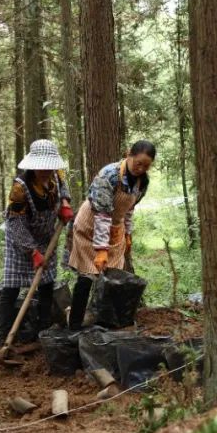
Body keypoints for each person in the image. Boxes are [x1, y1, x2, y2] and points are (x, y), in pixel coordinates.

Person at [66, 140, 156, 329]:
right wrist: (100, 249)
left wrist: (128, 234)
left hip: (116, 229)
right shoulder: (109, 175)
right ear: (129, 154)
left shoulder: (142, 182)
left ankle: (105, 321)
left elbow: (129, 209)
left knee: (112, 279)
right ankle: (74, 325)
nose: (141, 169)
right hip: (91, 226)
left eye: (146, 166)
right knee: (86, 276)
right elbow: (103, 215)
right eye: (138, 163)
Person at [0, 140, 74, 345]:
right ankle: (0, 341)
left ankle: (43, 332)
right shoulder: (20, 187)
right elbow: (15, 223)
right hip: (20, 241)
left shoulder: (56, 175)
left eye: (48, 167)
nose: (44, 171)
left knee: (47, 284)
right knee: (11, 288)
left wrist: (65, 202)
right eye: (40, 167)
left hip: (46, 237)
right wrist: (32, 251)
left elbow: (63, 188)